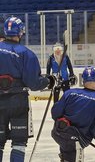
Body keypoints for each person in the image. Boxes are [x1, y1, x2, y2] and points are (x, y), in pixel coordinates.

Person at [0, 16, 55, 162]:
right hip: (18, 102)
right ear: (21, 32)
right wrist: (49, 81)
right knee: (19, 142)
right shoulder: (26, 54)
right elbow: (34, 83)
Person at [51, 66, 95, 162]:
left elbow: (55, 113)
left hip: (59, 133)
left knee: (67, 149)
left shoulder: (69, 93)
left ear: (83, 81)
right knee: (71, 150)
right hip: (77, 139)